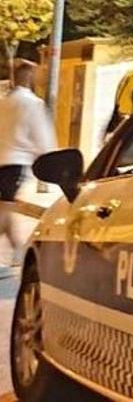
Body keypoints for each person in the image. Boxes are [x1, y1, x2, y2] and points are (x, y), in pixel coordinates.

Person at [0, 60, 56, 265]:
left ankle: (17, 251)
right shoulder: (33, 103)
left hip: (3, 159)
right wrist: (51, 161)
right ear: (30, 77)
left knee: (5, 207)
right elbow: (43, 136)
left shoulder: (3, 101)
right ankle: (18, 251)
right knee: (5, 208)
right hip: (15, 162)